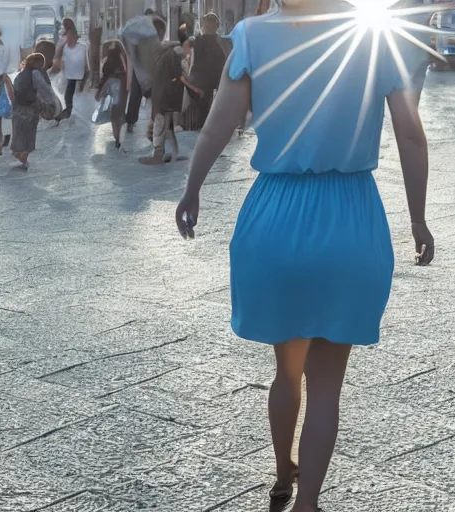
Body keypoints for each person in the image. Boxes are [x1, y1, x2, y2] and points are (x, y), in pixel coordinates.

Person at [172, 2, 435, 510]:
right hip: (349, 218)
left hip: (276, 218)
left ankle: (280, 473)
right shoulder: (375, 37)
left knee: (286, 371)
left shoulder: (251, 35)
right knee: (327, 387)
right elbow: (409, 132)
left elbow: (217, 125)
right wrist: (418, 218)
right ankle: (308, 501)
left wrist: (193, 189)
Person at [140, 44, 190, 165]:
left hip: (161, 102)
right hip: (170, 101)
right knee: (168, 128)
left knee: (160, 127)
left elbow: (154, 87)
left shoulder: (160, 64)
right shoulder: (174, 64)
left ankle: (158, 155)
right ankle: (174, 152)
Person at [182, 13, 227, 131]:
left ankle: (201, 123)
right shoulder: (220, 42)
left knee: (202, 102)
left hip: (200, 78)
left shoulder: (198, 41)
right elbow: (224, 59)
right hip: (214, 77)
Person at [10, 53, 53, 169]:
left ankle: (19, 155)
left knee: (19, 135)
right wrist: (39, 104)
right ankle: (22, 159)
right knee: (28, 137)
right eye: (41, 64)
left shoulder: (21, 75)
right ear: (35, 63)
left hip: (18, 110)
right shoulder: (35, 74)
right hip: (29, 109)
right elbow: (44, 89)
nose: (42, 66)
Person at [124, 9, 161, 133]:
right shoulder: (150, 31)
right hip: (147, 67)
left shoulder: (138, 30)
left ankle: (131, 121)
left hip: (139, 67)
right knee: (153, 94)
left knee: (136, 94)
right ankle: (154, 120)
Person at [97, 40, 129, 149]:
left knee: (113, 119)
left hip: (112, 101)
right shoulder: (122, 73)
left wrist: (99, 94)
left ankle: (117, 139)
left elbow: (104, 87)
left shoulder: (108, 74)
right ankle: (119, 138)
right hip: (121, 98)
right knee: (119, 118)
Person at [56, 29, 88, 120]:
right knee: (68, 96)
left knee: (75, 96)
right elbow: (62, 62)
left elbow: (86, 64)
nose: (68, 40)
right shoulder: (65, 48)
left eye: (70, 37)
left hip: (78, 78)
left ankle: (71, 114)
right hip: (68, 77)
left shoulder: (82, 48)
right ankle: (68, 113)